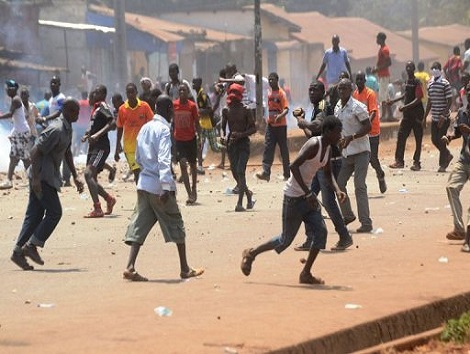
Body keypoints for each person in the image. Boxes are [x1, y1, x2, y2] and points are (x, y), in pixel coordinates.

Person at [240, 116, 345, 284]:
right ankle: (251, 253)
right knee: (285, 240)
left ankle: (306, 273)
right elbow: (293, 166)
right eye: (338, 132)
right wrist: (308, 193)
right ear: (327, 131)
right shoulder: (314, 145)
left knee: (321, 232)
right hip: (294, 198)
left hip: (307, 198)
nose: (340, 136)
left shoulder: (328, 150)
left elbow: (327, 173)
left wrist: (338, 190)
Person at [122, 95, 204, 281]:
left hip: (144, 184)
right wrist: (166, 187)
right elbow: (164, 159)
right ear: (169, 110)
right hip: (159, 187)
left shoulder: (145, 128)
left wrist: (146, 174)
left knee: (140, 224)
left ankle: (130, 266)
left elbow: (138, 157)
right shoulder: (164, 130)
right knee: (176, 223)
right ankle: (184, 268)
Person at [10, 98, 84, 270]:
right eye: (75, 111)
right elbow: (35, 151)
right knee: (54, 212)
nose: (78, 115)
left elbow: (67, 153)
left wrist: (75, 176)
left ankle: (17, 252)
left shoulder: (67, 128)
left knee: (34, 215)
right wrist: (35, 179)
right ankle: (31, 246)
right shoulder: (56, 129)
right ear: (66, 110)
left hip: (47, 176)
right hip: (42, 177)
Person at [293, 80, 353, 251]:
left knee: (327, 201)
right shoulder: (316, 107)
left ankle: (344, 236)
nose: (311, 93)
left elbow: (316, 125)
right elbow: (312, 134)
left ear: (322, 92)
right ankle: (311, 238)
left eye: (315, 90)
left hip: (329, 160)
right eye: (310, 90)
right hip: (322, 160)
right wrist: (301, 121)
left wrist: (302, 120)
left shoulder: (321, 106)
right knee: (308, 198)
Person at [335, 78, 373, 233]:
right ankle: (348, 214)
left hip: (361, 151)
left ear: (351, 90)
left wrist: (352, 137)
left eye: (344, 88)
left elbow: (368, 126)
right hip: (347, 153)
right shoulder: (338, 106)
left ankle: (366, 222)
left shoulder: (357, 107)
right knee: (339, 184)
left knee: (359, 186)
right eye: (340, 88)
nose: (342, 91)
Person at [82, 84, 117, 218]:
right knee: (92, 178)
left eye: (96, 93)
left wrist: (97, 135)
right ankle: (109, 199)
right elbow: (94, 126)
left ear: (102, 95)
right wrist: (88, 134)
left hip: (101, 146)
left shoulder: (103, 106)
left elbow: (112, 124)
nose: (93, 95)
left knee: (87, 174)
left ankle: (98, 209)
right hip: (93, 147)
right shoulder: (96, 109)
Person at [221, 83, 256, 211]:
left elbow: (253, 128)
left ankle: (239, 203)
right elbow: (223, 128)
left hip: (243, 144)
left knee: (241, 171)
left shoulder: (246, 110)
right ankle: (248, 195)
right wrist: (223, 136)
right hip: (232, 144)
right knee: (236, 173)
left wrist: (241, 134)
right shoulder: (226, 110)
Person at [443, 84, 470, 244]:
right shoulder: (462, 112)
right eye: (469, 91)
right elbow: (457, 130)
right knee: (452, 187)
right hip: (464, 160)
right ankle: (459, 229)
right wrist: (450, 137)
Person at [353, 71, 387, 193]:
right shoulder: (355, 94)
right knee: (362, 159)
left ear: (365, 81)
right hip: (362, 131)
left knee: (373, 158)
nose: (359, 82)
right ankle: (361, 186)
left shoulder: (370, 94)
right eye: (357, 79)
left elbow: (373, 111)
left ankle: (380, 174)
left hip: (372, 130)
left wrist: (367, 123)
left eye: (361, 79)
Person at [388, 61, 425, 171]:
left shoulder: (417, 82)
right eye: (407, 67)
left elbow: (419, 98)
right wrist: (393, 101)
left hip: (417, 115)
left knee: (418, 139)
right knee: (401, 136)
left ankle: (417, 162)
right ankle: (399, 161)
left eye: (410, 67)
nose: (408, 69)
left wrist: (405, 107)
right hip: (408, 115)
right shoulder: (407, 82)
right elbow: (405, 95)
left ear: (413, 69)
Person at [115, 82, 154, 184]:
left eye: (133, 92)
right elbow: (119, 128)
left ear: (136, 92)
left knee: (144, 171)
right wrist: (117, 147)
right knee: (137, 172)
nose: (131, 95)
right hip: (129, 148)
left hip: (144, 146)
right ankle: (141, 196)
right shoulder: (122, 109)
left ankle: (146, 194)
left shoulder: (144, 106)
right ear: (126, 94)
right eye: (129, 93)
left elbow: (152, 123)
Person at [256, 72, 290, 182]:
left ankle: (287, 174)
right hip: (271, 126)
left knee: (283, 150)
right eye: (269, 80)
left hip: (281, 126)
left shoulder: (281, 94)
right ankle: (266, 172)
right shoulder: (269, 94)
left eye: (272, 80)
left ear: (277, 80)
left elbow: (286, 109)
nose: (271, 82)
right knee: (268, 148)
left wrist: (280, 116)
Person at [38, 76, 70, 186]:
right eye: (52, 83)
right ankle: (57, 179)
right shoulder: (51, 100)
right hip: (55, 129)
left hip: (63, 128)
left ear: (59, 85)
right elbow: (48, 114)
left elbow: (59, 112)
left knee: (65, 154)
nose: (53, 85)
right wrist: (43, 120)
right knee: (54, 155)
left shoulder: (61, 98)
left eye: (55, 83)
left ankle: (67, 179)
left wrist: (45, 118)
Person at [0, 80, 32, 190]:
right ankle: (30, 180)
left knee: (19, 157)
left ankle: (11, 180)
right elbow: (22, 116)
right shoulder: (16, 99)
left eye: (7, 88)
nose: (6, 90)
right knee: (19, 157)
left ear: (12, 89)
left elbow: (10, 114)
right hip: (20, 132)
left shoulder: (16, 100)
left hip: (21, 133)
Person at [173, 84, 201, 205]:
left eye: (184, 90)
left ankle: (194, 188)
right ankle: (189, 193)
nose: (182, 92)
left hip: (191, 139)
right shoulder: (174, 105)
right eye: (180, 90)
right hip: (179, 140)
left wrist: (199, 138)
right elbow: (171, 122)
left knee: (193, 165)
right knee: (183, 165)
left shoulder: (192, 106)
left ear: (188, 92)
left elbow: (197, 123)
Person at [424, 61, 453, 172]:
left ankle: (443, 164)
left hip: (444, 118)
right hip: (434, 117)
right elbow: (429, 101)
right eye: (433, 68)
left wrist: (443, 115)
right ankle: (447, 154)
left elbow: (449, 100)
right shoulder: (430, 84)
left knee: (440, 139)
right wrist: (425, 117)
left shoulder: (445, 83)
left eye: (436, 68)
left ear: (440, 70)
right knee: (434, 139)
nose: (434, 70)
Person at [192, 77, 220, 175]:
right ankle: (200, 166)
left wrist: (198, 111)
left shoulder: (202, 95)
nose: (192, 84)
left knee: (215, 147)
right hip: (202, 124)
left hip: (208, 124)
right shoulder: (198, 94)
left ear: (199, 83)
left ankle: (226, 153)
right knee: (199, 144)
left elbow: (209, 109)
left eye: (194, 83)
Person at [372, 32, 393, 122]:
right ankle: (390, 115)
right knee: (386, 96)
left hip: (384, 75)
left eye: (377, 38)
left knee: (383, 96)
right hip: (382, 75)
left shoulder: (385, 49)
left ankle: (384, 116)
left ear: (381, 39)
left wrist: (377, 69)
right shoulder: (381, 49)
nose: (376, 40)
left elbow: (389, 62)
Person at [443, 46, 463, 111]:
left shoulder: (450, 59)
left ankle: (453, 104)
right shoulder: (458, 58)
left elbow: (444, 68)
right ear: (458, 51)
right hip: (456, 79)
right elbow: (460, 67)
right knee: (462, 91)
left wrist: (447, 76)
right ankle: (460, 106)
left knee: (451, 93)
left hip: (450, 80)